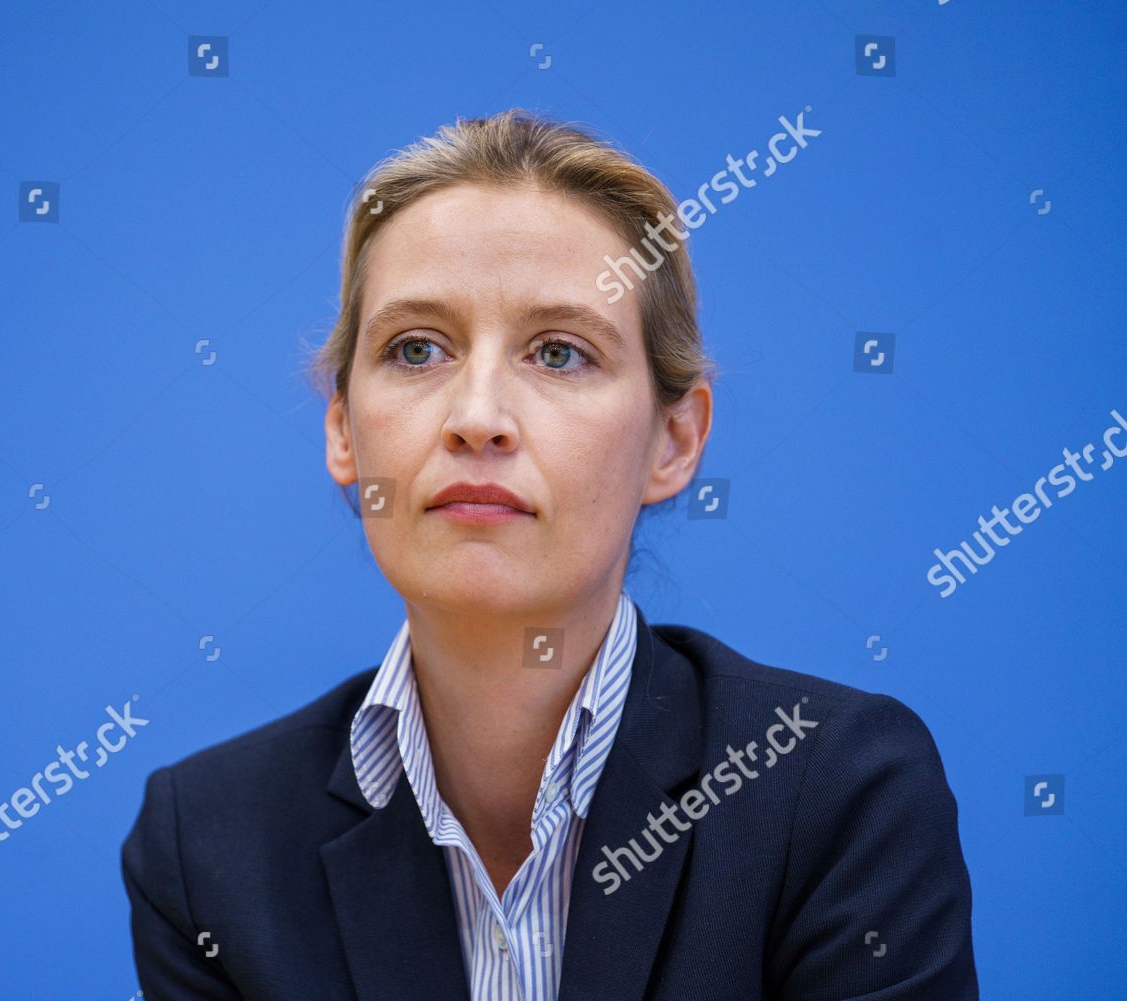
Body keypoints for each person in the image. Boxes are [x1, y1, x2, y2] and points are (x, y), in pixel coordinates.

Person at [120, 108, 977, 1000]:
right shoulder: (205, 844)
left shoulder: (837, 792)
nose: (477, 415)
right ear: (343, 427)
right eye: (417, 348)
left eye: (559, 353)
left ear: (675, 441)